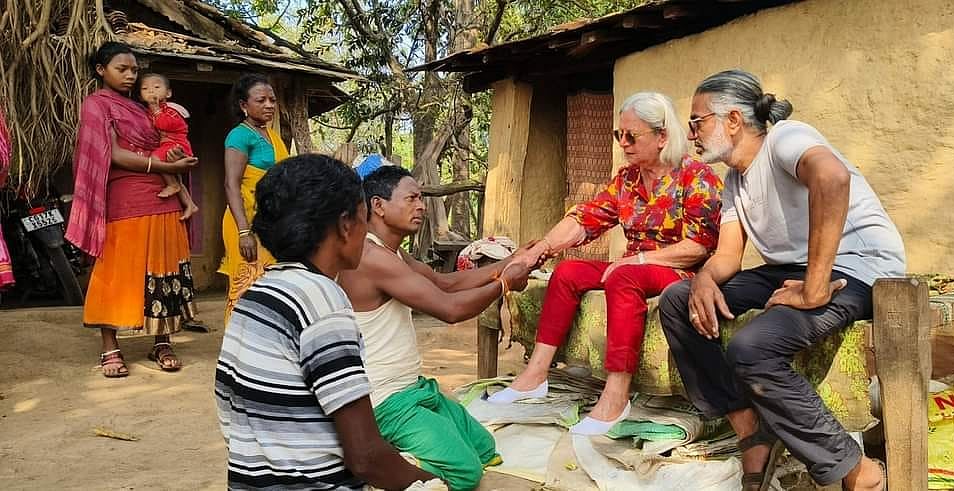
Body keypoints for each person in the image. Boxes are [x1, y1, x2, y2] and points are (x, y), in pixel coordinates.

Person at [658, 70, 903, 491]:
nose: (691, 133)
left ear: (733, 120)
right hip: (793, 269)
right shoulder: (735, 180)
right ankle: (751, 433)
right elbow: (727, 256)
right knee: (678, 300)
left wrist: (814, 287)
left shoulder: (786, 138)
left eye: (697, 121)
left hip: (857, 266)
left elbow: (832, 178)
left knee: (752, 348)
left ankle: (856, 470)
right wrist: (702, 280)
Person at [491, 92, 723, 435]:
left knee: (623, 275)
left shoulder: (696, 176)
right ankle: (535, 375)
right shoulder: (628, 178)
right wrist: (542, 248)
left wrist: (640, 259)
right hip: (635, 268)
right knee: (568, 271)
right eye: (619, 135)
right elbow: (586, 219)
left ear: (662, 136)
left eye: (631, 136)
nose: (623, 143)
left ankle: (616, 395)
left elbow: (699, 247)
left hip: (680, 271)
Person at [215, 154, 435, 490]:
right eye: (364, 220)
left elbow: (228, 409)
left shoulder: (255, 296)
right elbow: (366, 457)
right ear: (346, 225)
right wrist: (432, 482)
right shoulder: (322, 301)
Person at [338, 165, 535, 491]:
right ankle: (382, 470)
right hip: (386, 402)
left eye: (421, 198)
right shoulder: (372, 257)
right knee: (466, 473)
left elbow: (447, 283)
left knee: (485, 447)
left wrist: (512, 262)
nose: (421, 206)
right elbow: (450, 309)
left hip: (413, 389)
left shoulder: (393, 254)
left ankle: (402, 454)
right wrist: (504, 284)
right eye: (411, 198)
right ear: (378, 206)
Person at [67, 42, 200, 377]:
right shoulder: (97, 105)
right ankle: (110, 347)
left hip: (164, 198)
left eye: (134, 70)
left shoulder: (143, 109)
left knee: (165, 269)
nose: (130, 75)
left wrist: (176, 163)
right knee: (116, 271)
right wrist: (162, 164)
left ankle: (162, 341)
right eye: (121, 69)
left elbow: (164, 144)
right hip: (124, 199)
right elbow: (113, 154)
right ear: (101, 70)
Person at [219, 74, 289, 322]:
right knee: (246, 286)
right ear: (243, 105)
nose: (269, 105)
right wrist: (243, 232)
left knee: (270, 286)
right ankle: (238, 340)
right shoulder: (240, 136)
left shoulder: (272, 135)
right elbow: (231, 184)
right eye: (261, 100)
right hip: (245, 220)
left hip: (269, 222)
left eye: (272, 100)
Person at [137, 73, 198, 220]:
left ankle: (172, 185)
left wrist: (155, 108)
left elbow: (164, 124)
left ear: (168, 93)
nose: (151, 91)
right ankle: (190, 204)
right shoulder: (147, 112)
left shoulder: (171, 110)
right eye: (145, 89)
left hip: (176, 145)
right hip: (168, 145)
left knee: (155, 159)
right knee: (177, 178)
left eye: (157, 87)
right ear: (140, 96)